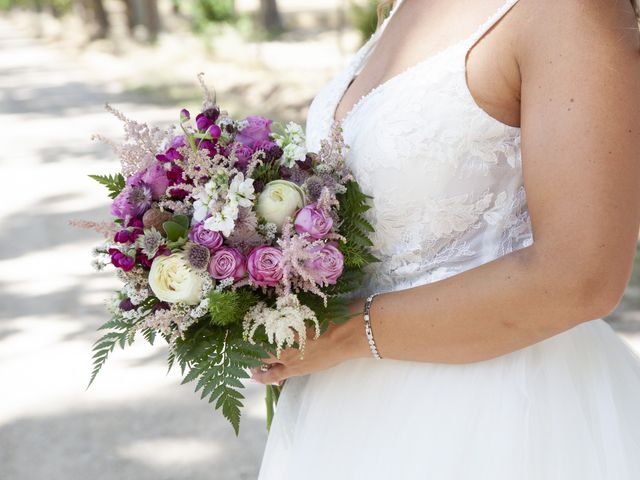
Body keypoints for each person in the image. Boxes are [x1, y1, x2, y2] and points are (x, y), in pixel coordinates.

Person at [253, 0, 640, 478]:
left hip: (497, 417)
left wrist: (346, 332)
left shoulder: (567, 11)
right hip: (345, 414)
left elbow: (581, 277)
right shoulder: (402, 6)